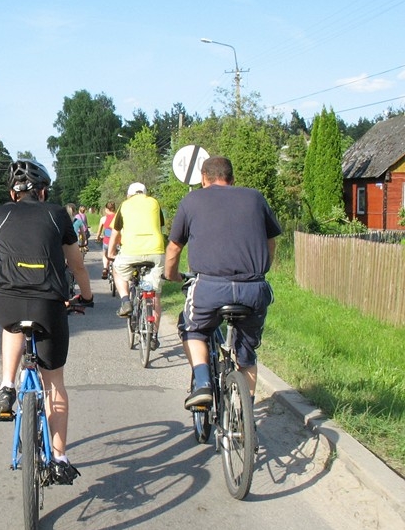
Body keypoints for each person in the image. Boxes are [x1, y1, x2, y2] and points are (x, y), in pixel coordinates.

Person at [0, 159, 93, 485]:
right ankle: (59, 458)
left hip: (7, 303)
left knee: (11, 323)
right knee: (54, 382)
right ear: (43, 192)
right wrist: (86, 296)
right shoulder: (58, 215)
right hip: (49, 306)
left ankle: (6, 386)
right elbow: (77, 265)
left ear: (13, 194)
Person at [164, 156, 281, 410]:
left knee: (191, 327)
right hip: (254, 289)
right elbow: (271, 241)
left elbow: (174, 247)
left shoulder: (192, 200)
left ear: (203, 179)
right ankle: (246, 413)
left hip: (210, 288)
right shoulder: (255, 197)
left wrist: (171, 275)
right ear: (232, 179)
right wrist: (261, 270)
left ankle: (203, 383)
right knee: (247, 353)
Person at [107, 182, 165, 349]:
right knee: (154, 294)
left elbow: (116, 232)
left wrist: (110, 253)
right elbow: (159, 226)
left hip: (131, 250)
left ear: (128, 195)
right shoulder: (154, 202)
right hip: (155, 250)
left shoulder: (125, 205)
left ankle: (126, 301)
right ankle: (153, 336)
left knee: (117, 270)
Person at [95, 201, 117, 279]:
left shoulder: (103, 219)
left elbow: (99, 232)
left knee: (105, 254)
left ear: (106, 209)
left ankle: (105, 268)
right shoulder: (118, 217)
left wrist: (98, 238)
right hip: (116, 242)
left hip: (107, 241)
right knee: (116, 254)